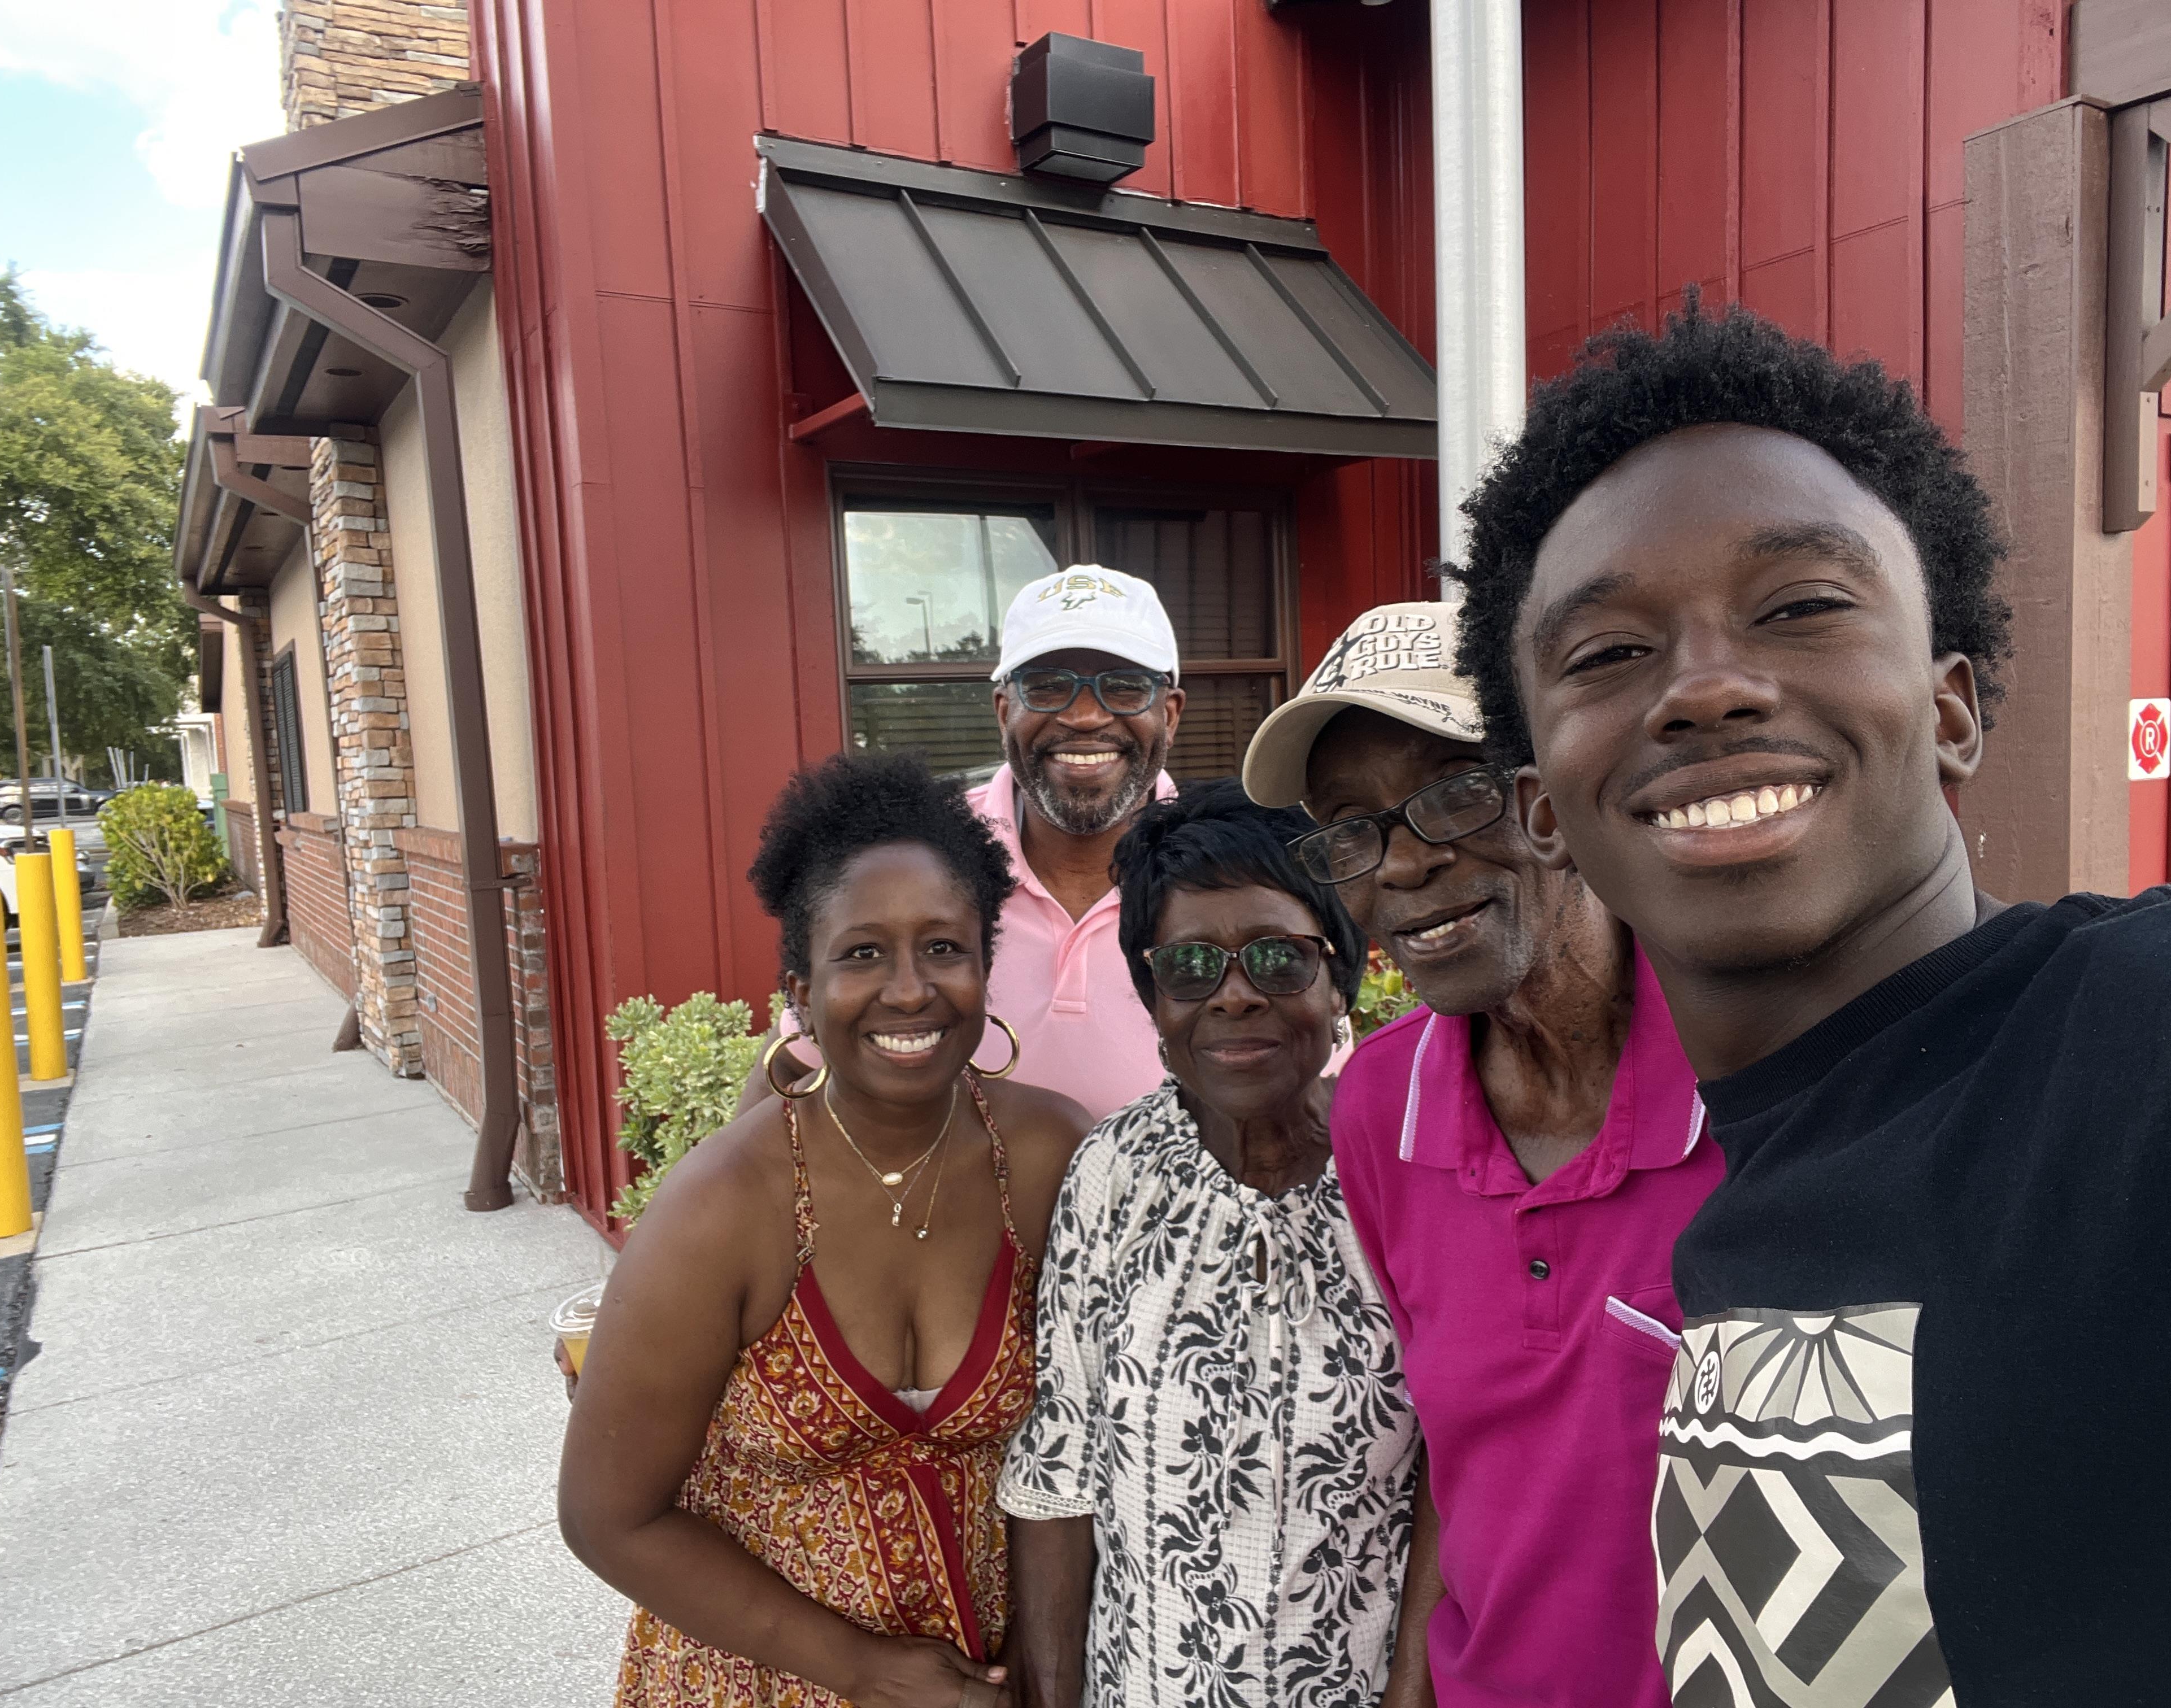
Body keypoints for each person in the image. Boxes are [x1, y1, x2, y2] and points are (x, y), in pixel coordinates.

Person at [1454, 297, 2171, 1705]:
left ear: (1951, 709)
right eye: (1608, 653)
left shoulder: (2142, 1046)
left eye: (1799, 607)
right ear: (1541, 812)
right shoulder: (1746, 1209)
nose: (1709, 688)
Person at [1239, 603, 1724, 1708]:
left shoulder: (1748, 1075)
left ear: (1558, 793)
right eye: (1350, 830)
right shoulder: (1378, 1109)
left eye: (1455, 794)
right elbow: (1459, 1475)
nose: (1402, 867)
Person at [559, 752, 1089, 1708]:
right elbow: (607, 1517)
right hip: (758, 1680)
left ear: (983, 964)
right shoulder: (725, 1207)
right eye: (861, 953)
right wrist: (863, 1667)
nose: (908, 989)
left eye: (943, 947)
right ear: (799, 987)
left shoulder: (1047, 1154)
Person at [1000, 780, 1429, 1708]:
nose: (1234, 996)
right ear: (1154, 996)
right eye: (1189, 965)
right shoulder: (1110, 1173)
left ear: (1340, 974)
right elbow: (1061, 1465)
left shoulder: (1409, 1161)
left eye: (1278, 958)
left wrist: (1410, 1691)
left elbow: (1454, 1461)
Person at [751, 565, 1184, 1119]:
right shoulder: (924, 860)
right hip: (954, 1205)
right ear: (1005, 711)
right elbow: (793, 1062)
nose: (1085, 716)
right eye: (1048, 686)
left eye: (1125, 687)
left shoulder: (1223, 870)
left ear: (1169, 715)